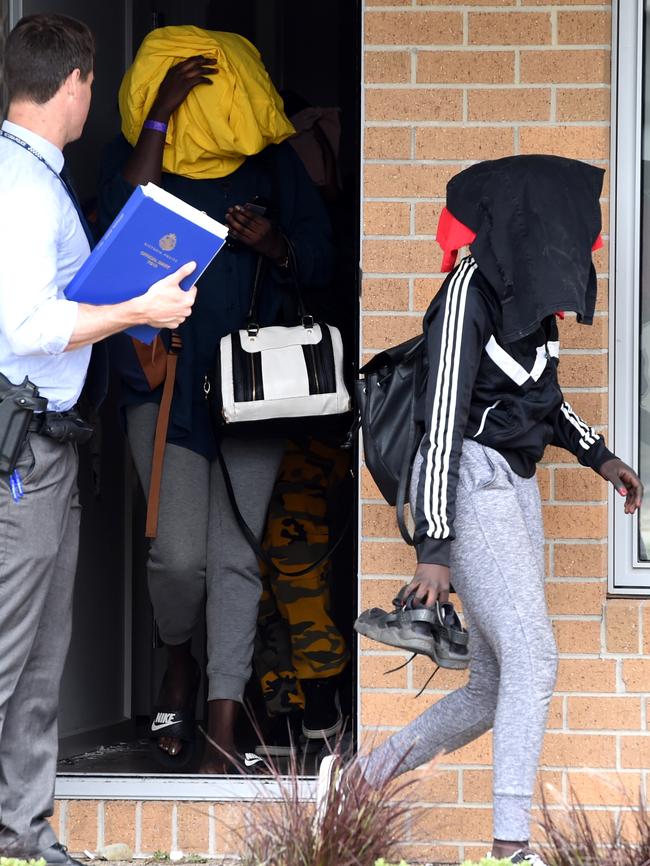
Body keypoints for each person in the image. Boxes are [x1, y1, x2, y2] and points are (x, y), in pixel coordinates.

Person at [349, 155, 643, 864]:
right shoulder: (466, 295)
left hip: (512, 485)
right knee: (536, 658)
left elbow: (542, 398)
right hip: (467, 483)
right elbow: (442, 415)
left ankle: (357, 783)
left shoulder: (530, 302)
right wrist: (436, 549)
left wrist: (600, 456)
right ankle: (509, 849)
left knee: (492, 685)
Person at [97, 25, 334, 773]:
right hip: (159, 383)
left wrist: (268, 245)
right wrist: (161, 115)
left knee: (235, 558)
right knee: (176, 559)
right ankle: (179, 662)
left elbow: (322, 259)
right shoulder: (135, 155)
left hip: (252, 389)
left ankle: (224, 717)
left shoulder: (270, 164)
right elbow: (113, 222)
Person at [0, 14, 197, 863]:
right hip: (21, 453)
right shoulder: (17, 185)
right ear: (75, 82)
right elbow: (29, 323)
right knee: (11, 654)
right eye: (91, 87)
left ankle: (23, 834)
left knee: (41, 665)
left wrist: (116, 287)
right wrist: (139, 311)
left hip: (48, 448)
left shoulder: (37, 178)